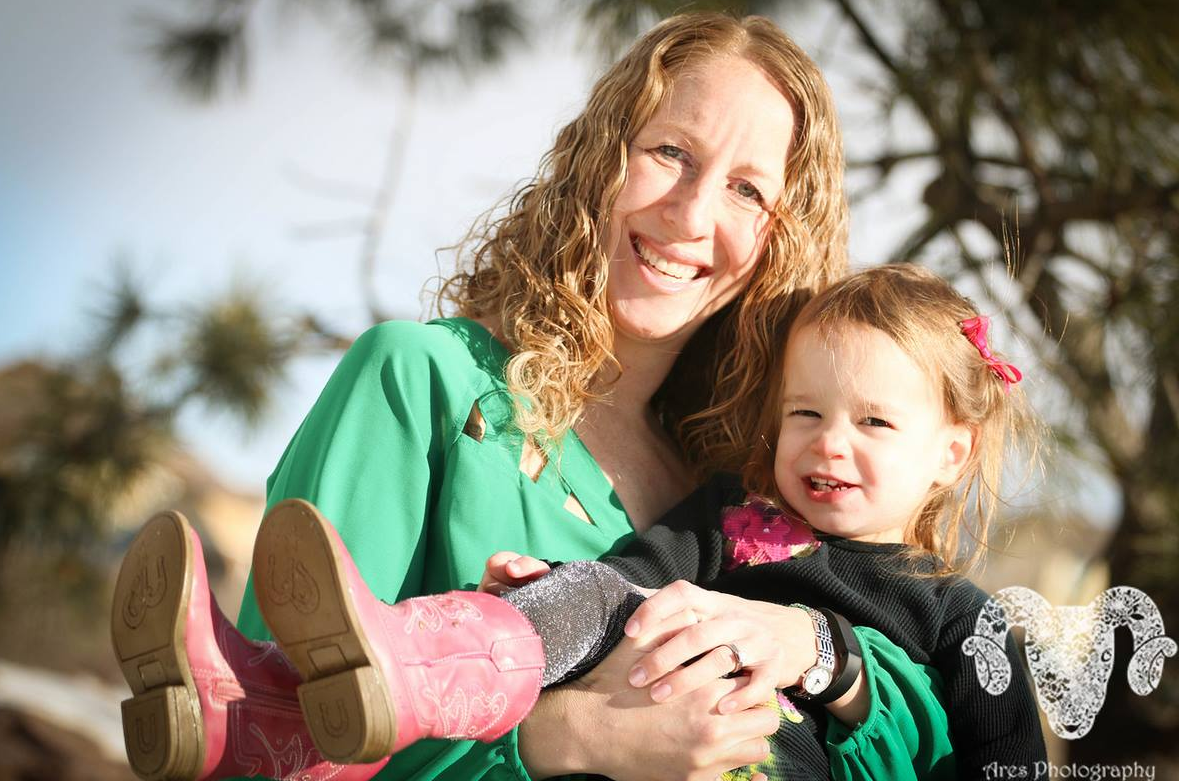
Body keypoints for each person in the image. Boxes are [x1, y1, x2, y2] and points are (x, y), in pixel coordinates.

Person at [110, 13, 957, 781]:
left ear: (781, 239)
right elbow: (280, 750)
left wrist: (814, 644)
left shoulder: (752, 488)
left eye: (747, 189)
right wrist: (571, 738)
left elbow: (931, 735)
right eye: (670, 152)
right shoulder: (422, 382)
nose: (692, 213)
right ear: (602, 156)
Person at [238, 264, 1047, 781]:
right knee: (599, 592)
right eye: (805, 412)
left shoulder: (961, 615)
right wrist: (542, 588)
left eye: (873, 422)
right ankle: (405, 666)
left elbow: (1004, 758)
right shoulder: (734, 515)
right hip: (651, 744)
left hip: (764, 761)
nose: (829, 442)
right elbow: (631, 576)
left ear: (951, 452)